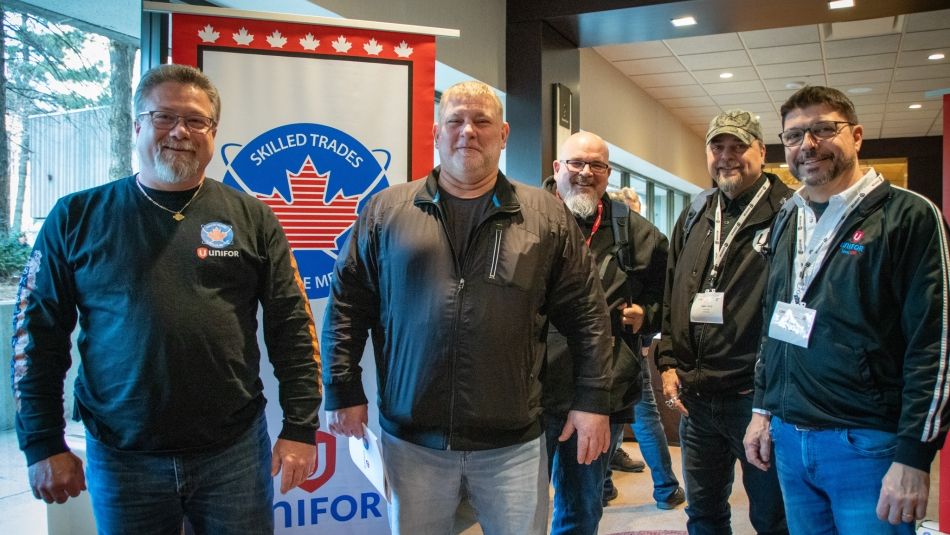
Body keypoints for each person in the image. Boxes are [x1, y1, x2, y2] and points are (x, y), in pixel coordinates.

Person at [11, 64, 322, 534]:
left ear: (213, 133)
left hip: (233, 452)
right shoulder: (76, 216)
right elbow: (36, 335)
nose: (180, 130)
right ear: (137, 125)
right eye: (163, 117)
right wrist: (42, 442)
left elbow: (293, 328)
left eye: (196, 120)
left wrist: (300, 427)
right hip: (122, 456)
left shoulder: (252, 218)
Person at [321, 81, 612, 535]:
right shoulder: (385, 211)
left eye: (482, 122)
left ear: (504, 134)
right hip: (412, 438)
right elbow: (347, 306)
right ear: (437, 132)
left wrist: (593, 399)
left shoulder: (545, 217)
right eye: (456, 121)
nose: (468, 132)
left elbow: (588, 315)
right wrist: (342, 388)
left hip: (512, 443)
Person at [744, 86, 950, 534]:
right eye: (795, 135)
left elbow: (936, 343)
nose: (808, 145)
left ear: (856, 136)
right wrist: (763, 410)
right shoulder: (787, 217)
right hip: (790, 437)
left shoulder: (909, 216)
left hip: (866, 445)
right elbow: (774, 323)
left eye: (823, 129)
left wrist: (914, 456)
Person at [656, 109, 790, 535]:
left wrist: (769, 401)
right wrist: (667, 361)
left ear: (762, 152)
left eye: (738, 147)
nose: (727, 157)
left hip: (756, 402)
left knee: (772, 517)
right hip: (698, 401)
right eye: (718, 147)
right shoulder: (696, 212)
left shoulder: (789, 212)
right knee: (705, 514)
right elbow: (671, 290)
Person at [541, 131, 677, 533]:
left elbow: (667, 299)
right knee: (518, 507)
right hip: (530, 393)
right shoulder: (525, 217)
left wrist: (646, 314)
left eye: (596, 165)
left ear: (608, 173)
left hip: (599, 393)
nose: (586, 173)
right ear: (557, 168)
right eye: (576, 163)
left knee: (581, 508)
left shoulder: (637, 233)